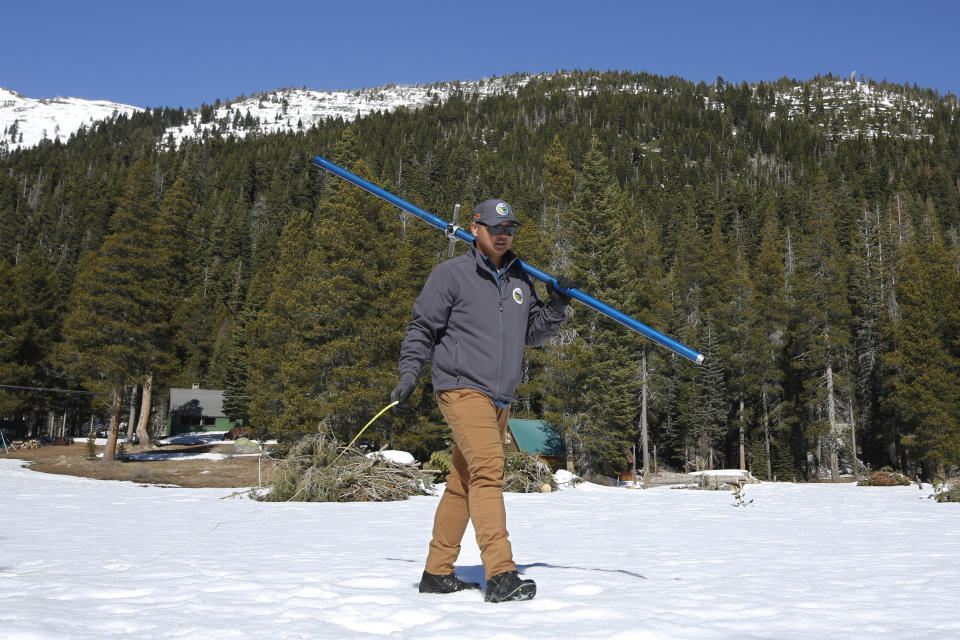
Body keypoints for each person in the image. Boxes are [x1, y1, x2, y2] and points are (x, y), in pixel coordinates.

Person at [390, 198, 573, 603]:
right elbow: (422, 327)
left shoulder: (521, 278)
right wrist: (409, 373)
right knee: (490, 470)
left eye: (509, 229)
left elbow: (534, 334)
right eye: (495, 229)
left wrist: (557, 306)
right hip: (461, 386)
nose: (503, 235)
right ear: (476, 229)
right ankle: (502, 572)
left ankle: (437, 572)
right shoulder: (451, 274)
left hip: (500, 397)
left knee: (464, 482)